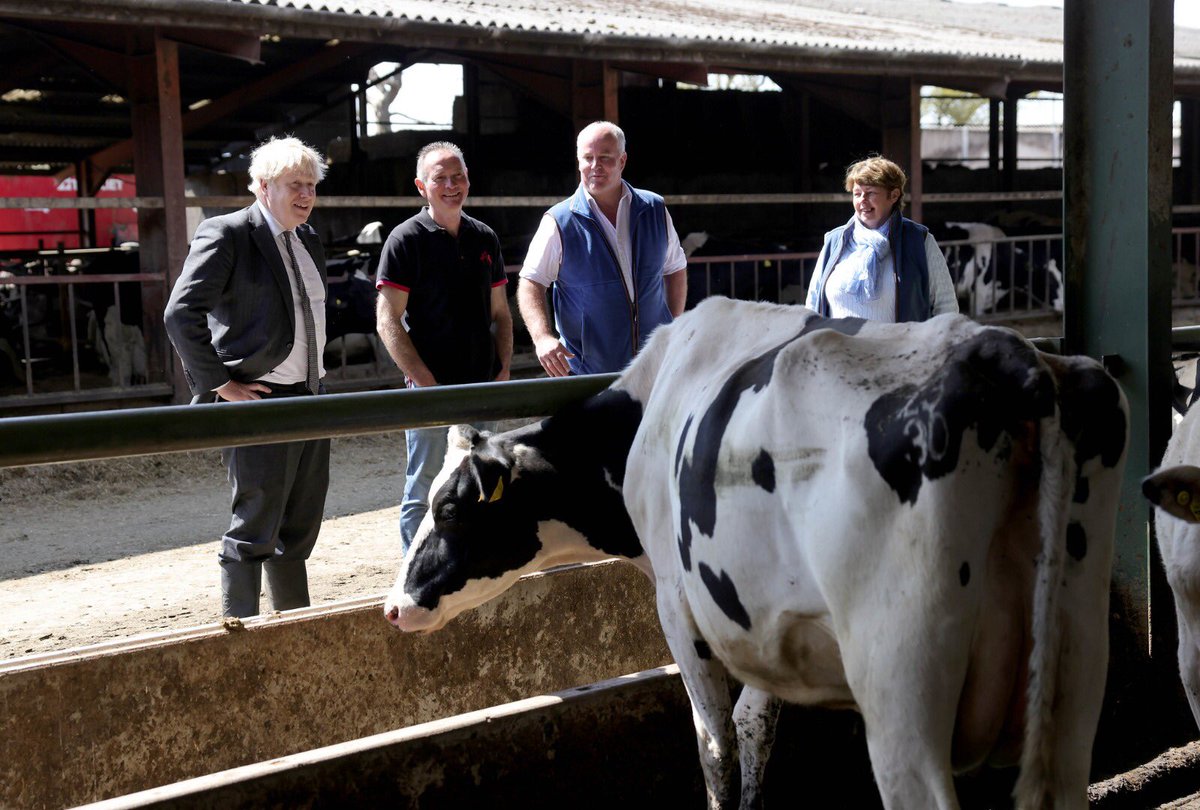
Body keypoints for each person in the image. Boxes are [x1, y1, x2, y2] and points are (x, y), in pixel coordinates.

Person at [164, 135, 331, 619]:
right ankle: (239, 632)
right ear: (262, 186)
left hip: (311, 395)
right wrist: (220, 384)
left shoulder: (307, 239)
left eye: (311, 185)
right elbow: (181, 313)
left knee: (298, 528)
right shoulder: (228, 232)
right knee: (254, 526)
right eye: (295, 184)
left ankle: (293, 628)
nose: (306, 194)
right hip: (260, 398)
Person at [375, 141, 513, 552]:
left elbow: (502, 313)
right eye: (440, 179)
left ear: (468, 180)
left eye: (458, 177)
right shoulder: (405, 239)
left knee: (486, 480)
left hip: (483, 384)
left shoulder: (484, 236)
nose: (451, 185)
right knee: (424, 485)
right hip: (431, 388)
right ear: (422, 186)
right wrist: (424, 382)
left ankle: (480, 565)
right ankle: (415, 570)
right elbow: (387, 319)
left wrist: (503, 369)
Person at [518, 120, 688, 376]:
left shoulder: (654, 209)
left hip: (654, 370)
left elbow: (675, 268)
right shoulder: (558, 221)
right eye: (588, 158)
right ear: (578, 161)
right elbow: (531, 281)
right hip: (589, 375)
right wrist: (542, 337)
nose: (595, 166)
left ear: (622, 161)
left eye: (605, 158)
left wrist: (673, 326)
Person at [805, 155, 958, 321]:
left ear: (894, 195)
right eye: (857, 194)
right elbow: (813, 302)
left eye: (870, 193)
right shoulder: (835, 241)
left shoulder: (920, 241)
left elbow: (946, 306)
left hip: (901, 339)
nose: (862, 201)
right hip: (839, 339)